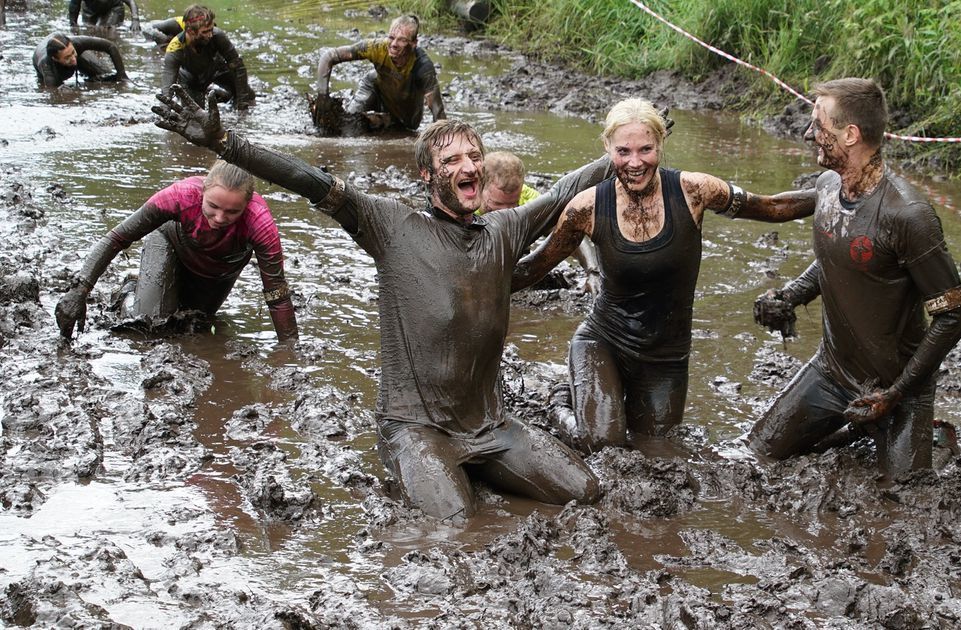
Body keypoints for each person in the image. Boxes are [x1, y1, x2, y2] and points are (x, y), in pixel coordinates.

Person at [151, 86, 612, 522]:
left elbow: (561, 194)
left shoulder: (504, 229)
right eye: (451, 159)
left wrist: (620, 156)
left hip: (491, 425)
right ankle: (418, 467)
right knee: (456, 524)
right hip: (414, 428)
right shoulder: (390, 226)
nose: (469, 166)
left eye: (475, 156)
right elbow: (308, 179)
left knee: (585, 493)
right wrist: (225, 142)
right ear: (428, 175)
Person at [511, 98, 818, 454]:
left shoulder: (695, 191)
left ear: (661, 145)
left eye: (646, 149)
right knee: (603, 445)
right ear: (607, 148)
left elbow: (773, 207)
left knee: (656, 450)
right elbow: (534, 267)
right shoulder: (586, 207)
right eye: (623, 151)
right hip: (603, 341)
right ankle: (559, 405)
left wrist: (834, 190)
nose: (635, 162)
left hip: (666, 357)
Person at [747, 78, 961, 480]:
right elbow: (841, 258)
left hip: (896, 388)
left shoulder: (909, 216)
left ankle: (937, 439)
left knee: (905, 492)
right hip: (831, 370)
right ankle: (854, 431)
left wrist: (897, 392)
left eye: (818, 125)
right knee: (760, 452)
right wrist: (790, 296)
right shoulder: (828, 187)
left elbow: (954, 316)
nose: (807, 134)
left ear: (850, 135)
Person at [55, 160, 298, 342]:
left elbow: (276, 293)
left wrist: (289, 351)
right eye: (212, 206)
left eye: (232, 212)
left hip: (219, 270)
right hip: (170, 244)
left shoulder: (260, 223)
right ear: (202, 192)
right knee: (150, 324)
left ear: (247, 205)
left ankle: (152, 291)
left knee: (195, 323)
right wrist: (80, 290)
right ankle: (128, 292)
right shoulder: (180, 195)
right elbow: (118, 237)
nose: (219, 217)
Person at [481, 151, 602, 292]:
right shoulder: (466, 201)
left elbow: (569, 229)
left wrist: (592, 271)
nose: (507, 213)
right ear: (480, 186)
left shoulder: (530, 199)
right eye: (497, 204)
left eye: (513, 204)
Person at [315, 14, 446, 132]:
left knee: (404, 129)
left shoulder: (422, 66)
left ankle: (379, 121)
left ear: (413, 44)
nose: (394, 44)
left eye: (402, 40)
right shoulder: (377, 48)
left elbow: (438, 111)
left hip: (406, 113)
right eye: (391, 37)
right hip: (375, 89)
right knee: (346, 125)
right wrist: (322, 96)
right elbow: (328, 56)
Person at [160, 5, 255, 109]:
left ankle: (219, 96)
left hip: (218, 70)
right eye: (205, 32)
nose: (210, 35)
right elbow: (167, 87)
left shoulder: (217, 35)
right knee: (196, 118)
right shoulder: (175, 48)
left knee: (248, 97)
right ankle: (214, 94)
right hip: (191, 81)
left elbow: (238, 68)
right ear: (191, 31)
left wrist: (242, 106)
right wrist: (165, 112)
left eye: (211, 29)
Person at [33, 32, 128, 89]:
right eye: (67, 58)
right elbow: (53, 93)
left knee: (106, 75)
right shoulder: (46, 65)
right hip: (50, 69)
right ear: (55, 59)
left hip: (78, 54)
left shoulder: (76, 42)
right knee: (59, 91)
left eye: (73, 52)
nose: (73, 59)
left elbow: (110, 46)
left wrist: (122, 74)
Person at [69, 0, 139, 29]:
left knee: (108, 29)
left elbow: (130, 1)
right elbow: (74, 4)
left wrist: (135, 19)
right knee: (89, 30)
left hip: (113, 7)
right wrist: (73, 23)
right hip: (90, 9)